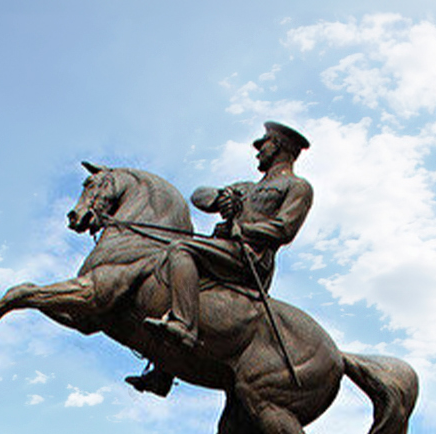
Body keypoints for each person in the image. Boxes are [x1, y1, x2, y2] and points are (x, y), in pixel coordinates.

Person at [128, 121, 314, 394]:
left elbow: (285, 228)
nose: (258, 150)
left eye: (264, 144)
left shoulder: (297, 186)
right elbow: (198, 196)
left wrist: (242, 229)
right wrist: (220, 197)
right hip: (224, 251)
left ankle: (184, 326)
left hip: (250, 257)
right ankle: (162, 372)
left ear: (279, 147)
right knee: (169, 281)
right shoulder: (247, 187)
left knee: (181, 250)